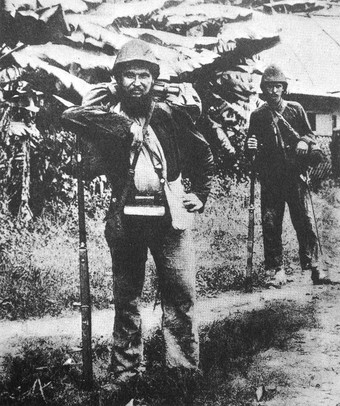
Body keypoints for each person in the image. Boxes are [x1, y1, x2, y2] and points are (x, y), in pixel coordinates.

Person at [62, 39, 214, 399]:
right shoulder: (107, 122)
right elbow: (79, 141)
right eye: (127, 75)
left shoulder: (170, 115)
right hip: (127, 223)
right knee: (126, 299)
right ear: (118, 81)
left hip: (170, 220)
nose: (136, 83)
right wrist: (98, 105)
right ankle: (125, 372)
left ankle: (183, 370)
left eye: (143, 75)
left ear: (153, 79)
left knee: (180, 294)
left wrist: (200, 194)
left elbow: (203, 152)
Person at [245, 64, 329, 287]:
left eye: (278, 86)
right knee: (271, 223)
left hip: (295, 176)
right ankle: (276, 271)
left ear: (283, 88)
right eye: (270, 87)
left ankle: (315, 268)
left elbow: (310, 135)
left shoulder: (295, 109)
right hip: (271, 178)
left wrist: (303, 141)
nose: (274, 91)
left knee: (305, 222)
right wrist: (250, 145)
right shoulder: (258, 115)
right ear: (264, 89)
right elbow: (250, 148)